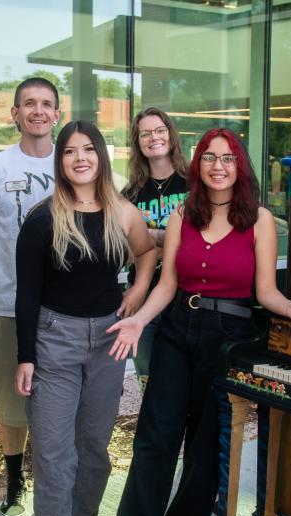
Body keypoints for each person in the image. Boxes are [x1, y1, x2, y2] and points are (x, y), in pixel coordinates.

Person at [93, 128, 291, 516]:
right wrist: (140, 320)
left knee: (206, 443)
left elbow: (264, 291)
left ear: (239, 165)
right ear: (198, 164)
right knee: (155, 436)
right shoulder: (185, 215)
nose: (218, 166)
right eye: (209, 158)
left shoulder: (259, 220)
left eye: (227, 158)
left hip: (228, 335)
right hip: (176, 330)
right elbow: (167, 284)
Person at [13, 120, 155, 516]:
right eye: (70, 151)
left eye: (88, 149)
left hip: (109, 340)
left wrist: (136, 293)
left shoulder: (122, 212)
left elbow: (148, 252)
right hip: (55, 338)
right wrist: (26, 356)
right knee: (54, 450)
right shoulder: (42, 218)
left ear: (100, 157)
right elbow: (27, 295)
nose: (80, 158)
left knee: (94, 445)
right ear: (60, 161)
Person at [0, 77, 60, 516]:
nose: (38, 111)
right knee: (12, 400)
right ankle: (14, 482)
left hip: (62, 307)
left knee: (58, 398)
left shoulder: (72, 162)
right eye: (29, 104)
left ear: (57, 115)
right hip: (8, 303)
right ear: (14, 114)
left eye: (46, 104)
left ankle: (51, 480)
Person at [120, 108, 189, 394]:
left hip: (185, 293)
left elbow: (201, 240)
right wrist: (169, 238)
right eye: (145, 133)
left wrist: (151, 236)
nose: (154, 138)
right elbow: (125, 249)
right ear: (137, 143)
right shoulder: (130, 194)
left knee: (185, 377)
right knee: (149, 378)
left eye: (160, 130)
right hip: (144, 291)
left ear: (171, 136)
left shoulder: (195, 185)